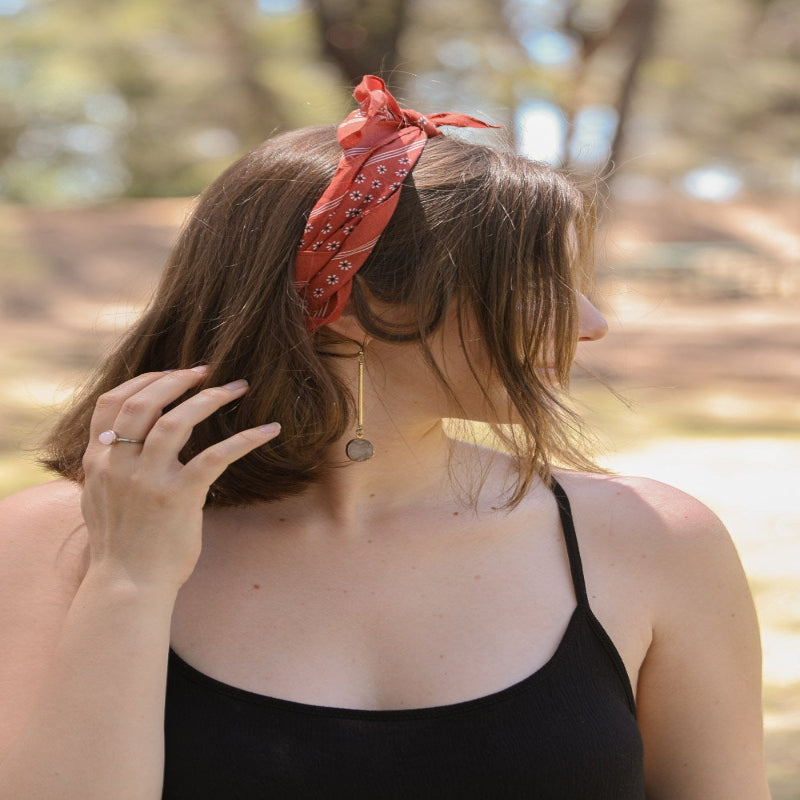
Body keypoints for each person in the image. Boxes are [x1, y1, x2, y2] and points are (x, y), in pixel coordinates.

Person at [0, 76, 769, 799]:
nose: (591, 324)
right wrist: (129, 581)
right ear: (353, 299)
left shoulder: (654, 542)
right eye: (537, 285)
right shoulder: (58, 543)